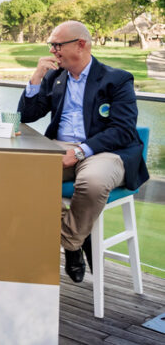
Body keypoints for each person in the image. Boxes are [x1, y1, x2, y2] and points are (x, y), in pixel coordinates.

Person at [18, 20, 149, 283]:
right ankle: (77, 239)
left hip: (106, 151)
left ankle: (69, 242)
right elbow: (27, 115)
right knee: (21, 173)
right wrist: (36, 78)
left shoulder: (117, 79)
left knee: (93, 182)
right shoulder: (55, 77)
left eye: (57, 45)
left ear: (80, 44)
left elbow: (122, 130)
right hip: (60, 147)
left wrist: (80, 152)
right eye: (51, 45)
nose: (52, 51)